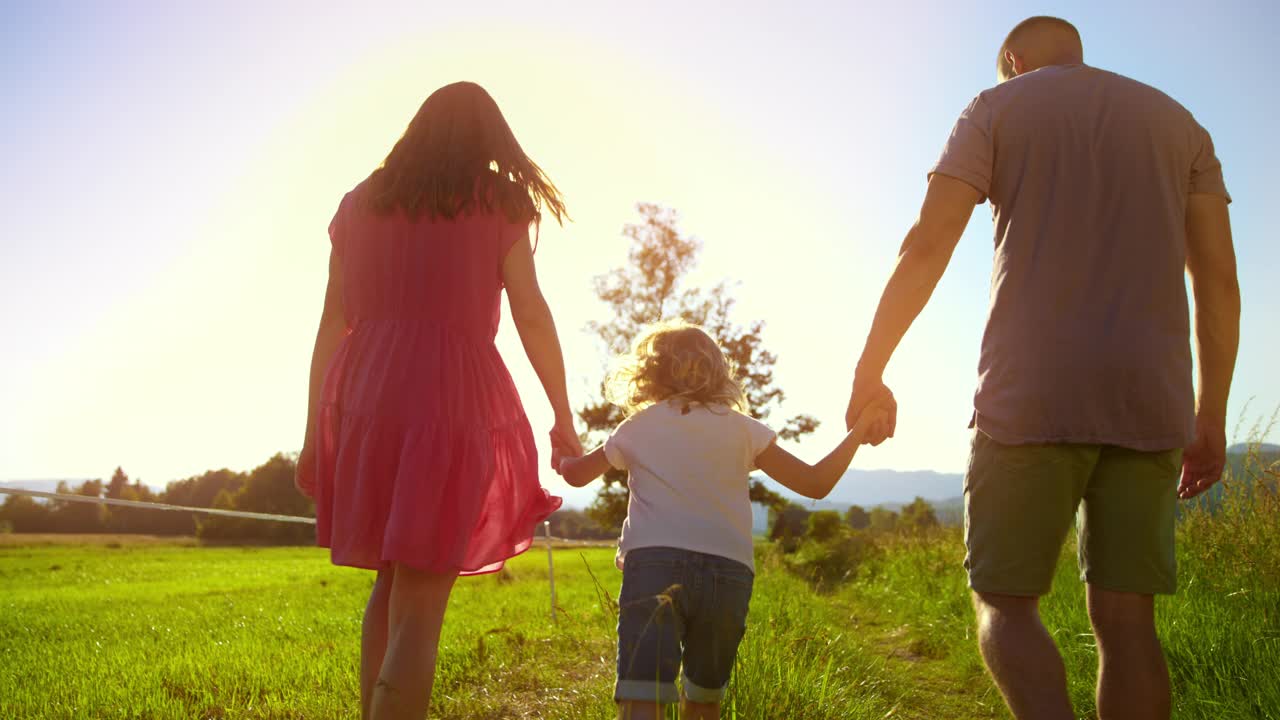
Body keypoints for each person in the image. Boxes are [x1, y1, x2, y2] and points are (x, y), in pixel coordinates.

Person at [843, 16, 1239, 720]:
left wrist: (870, 367)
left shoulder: (994, 107)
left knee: (1005, 600)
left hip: (1029, 395)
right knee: (1127, 621)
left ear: (1013, 59)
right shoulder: (1181, 124)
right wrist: (1210, 416)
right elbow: (1217, 280)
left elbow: (927, 244)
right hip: (1151, 400)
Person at [293, 81, 583, 720]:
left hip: (365, 391)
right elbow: (530, 313)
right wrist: (563, 413)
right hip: (451, 396)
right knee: (421, 603)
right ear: (487, 139)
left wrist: (316, 433)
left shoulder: (358, 202)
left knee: (392, 584)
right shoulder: (497, 200)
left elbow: (330, 322)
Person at [558, 321, 888, 720]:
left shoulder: (638, 426)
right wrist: (857, 431)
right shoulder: (745, 430)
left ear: (648, 373)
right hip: (728, 574)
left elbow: (577, 474)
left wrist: (561, 454)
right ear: (721, 373)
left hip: (653, 566)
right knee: (703, 700)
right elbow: (816, 482)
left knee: (643, 697)